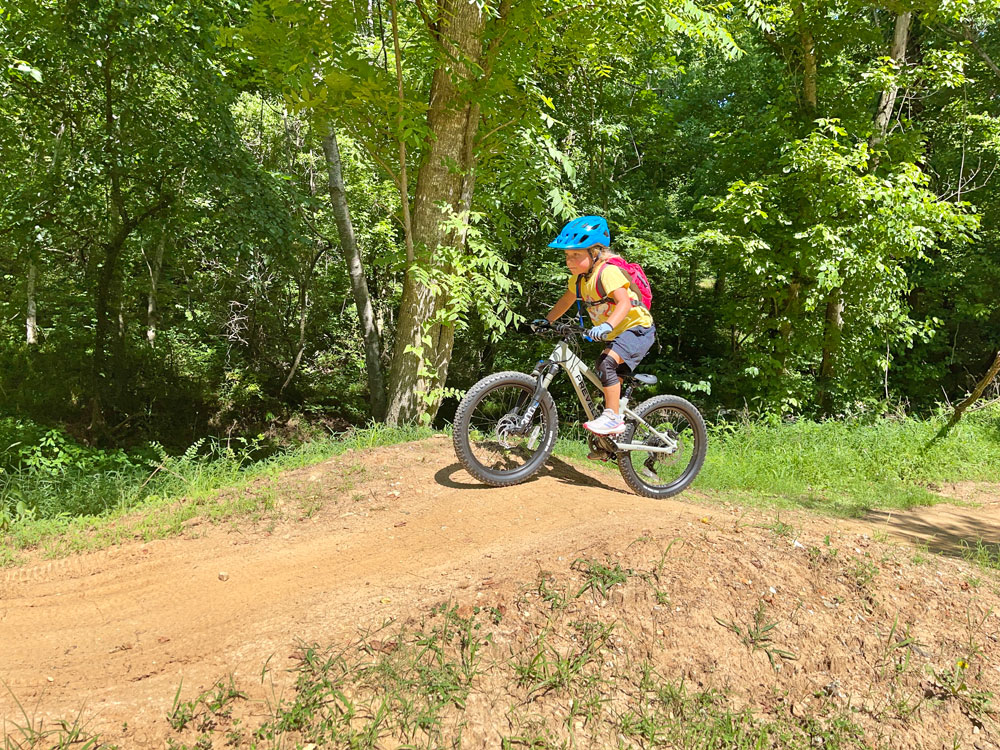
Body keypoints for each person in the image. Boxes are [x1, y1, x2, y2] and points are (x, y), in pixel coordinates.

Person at [539, 215, 656, 440]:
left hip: (638, 329)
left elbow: (623, 303)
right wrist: (548, 321)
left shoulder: (607, 272)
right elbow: (566, 300)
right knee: (607, 381)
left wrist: (606, 325)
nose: (570, 261)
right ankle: (610, 441)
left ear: (595, 252)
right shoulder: (579, 279)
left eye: (576, 254)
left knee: (606, 363)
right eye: (567, 255)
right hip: (617, 333)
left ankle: (612, 418)